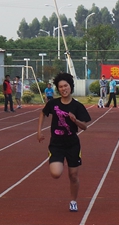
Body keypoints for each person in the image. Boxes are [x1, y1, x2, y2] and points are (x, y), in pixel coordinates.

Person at [37, 72, 91, 212]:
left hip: (72, 144)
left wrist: (75, 120)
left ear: (70, 87)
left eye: (65, 86)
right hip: (56, 144)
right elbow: (43, 113)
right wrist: (39, 131)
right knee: (56, 173)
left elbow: (85, 126)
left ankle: (73, 201)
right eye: (60, 87)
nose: (63, 89)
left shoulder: (77, 106)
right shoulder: (53, 103)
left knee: (73, 175)